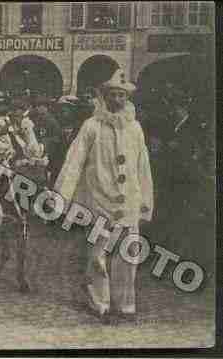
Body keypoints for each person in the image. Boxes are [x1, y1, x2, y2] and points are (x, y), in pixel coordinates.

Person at [54, 69, 154, 324]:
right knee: (96, 256)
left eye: (122, 95)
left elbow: (143, 166)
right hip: (97, 201)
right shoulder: (92, 126)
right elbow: (74, 161)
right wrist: (62, 197)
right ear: (105, 97)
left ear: (127, 97)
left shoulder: (135, 128)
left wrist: (145, 202)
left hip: (129, 201)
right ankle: (99, 303)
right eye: (113, 94)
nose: (117, 99)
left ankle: (126, 305)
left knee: (128, 254)